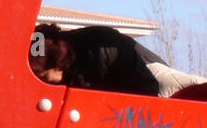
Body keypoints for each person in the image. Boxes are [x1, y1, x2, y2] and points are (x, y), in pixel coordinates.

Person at [29, 24, 161, 97]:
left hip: (154, 74)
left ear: (59, 65)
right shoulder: (45, 43)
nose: (45, 83)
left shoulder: (99, 51)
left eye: (45, 77)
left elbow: (149, 90)